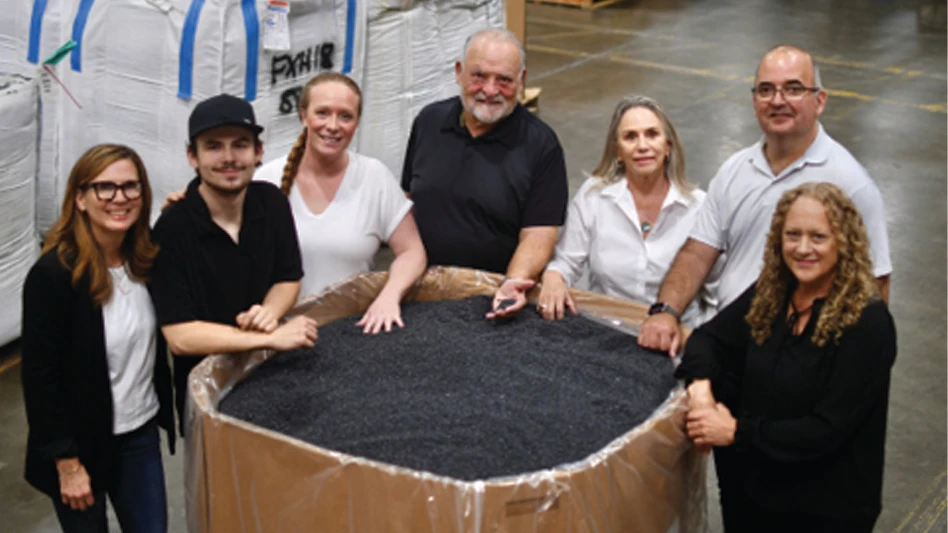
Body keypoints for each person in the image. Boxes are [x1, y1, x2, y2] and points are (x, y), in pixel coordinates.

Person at [638, 45, 892, 355]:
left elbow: (874, 286)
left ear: (820, 101)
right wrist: (665, 311)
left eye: (794, 89)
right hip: (732, 343)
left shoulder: (851, 184)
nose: (778, 100)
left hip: (801, 357)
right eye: (766, 90)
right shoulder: (735, 170)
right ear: (754, 100)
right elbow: (697, 254)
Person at [677, 182, 897, 532]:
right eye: (792, 235)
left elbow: (826, 430)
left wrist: (735, 431)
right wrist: (701, 392)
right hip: (755, 496)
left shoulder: (866, 323)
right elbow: (708, 338)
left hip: (822, 511)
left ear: (844, 241)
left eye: (818, 237)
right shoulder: (775, 292)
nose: (803, 248)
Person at [21, 144, 176, 532]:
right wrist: (66, 463)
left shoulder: (146, 261)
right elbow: (41, 379)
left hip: (139, 435)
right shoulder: (55, 276)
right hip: (81, 444)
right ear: (80, 199)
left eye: (130, 186)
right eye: (104, 188)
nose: (119, 198)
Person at [149, 94, 318, 425]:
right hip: (208, 398)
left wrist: (268, 313)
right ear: (192, 156)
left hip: (271, 378)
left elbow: (287, 277)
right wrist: (268, 339)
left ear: (258, 152)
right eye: (213, 146)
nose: (228, 158)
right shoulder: (172, 229)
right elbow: (180, 336)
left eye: (240, 145)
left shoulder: (272, 203)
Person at [401, 27, 569, 319]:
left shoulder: (541, 145)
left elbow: (539, 234)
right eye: (479, 76)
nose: (490, 91)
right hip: (420, 291)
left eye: (504, 80)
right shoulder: (429, 122)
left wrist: (512, 284)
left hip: (492, 298)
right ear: (459, 72)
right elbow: (407, 201)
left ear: (522, 81)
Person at [255, 73, 427, 333]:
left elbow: (412, 252)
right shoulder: (266, 180)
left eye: (345, 116)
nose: (333, 125)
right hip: (280, 334)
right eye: (322, 113)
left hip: (353, 332)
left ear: (356, 122)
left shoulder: (374, 177)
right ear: (303, 115)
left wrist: (389, 296)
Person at [537, 95, 718, 327]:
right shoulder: (594, 196)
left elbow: (716, 292)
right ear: (618, 152)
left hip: (676, 336)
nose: (642, 146)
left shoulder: (699, 208)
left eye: (652, 134)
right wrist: (554, 277)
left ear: (668, 147)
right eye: (630, 137)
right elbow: (565, 262)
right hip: (609, 333)